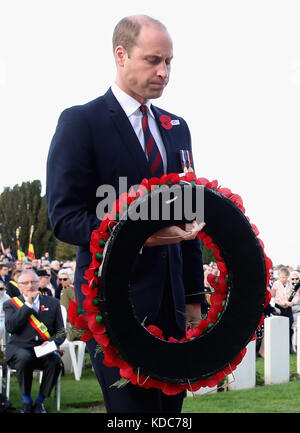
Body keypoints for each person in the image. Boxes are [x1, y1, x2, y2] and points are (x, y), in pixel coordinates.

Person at [47, 14, 205, 413]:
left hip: (171, 313)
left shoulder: (176, 128)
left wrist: (191, 297)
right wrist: (133, 233)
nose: (164, 72)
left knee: (168, 416)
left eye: (169, 61)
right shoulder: (82, 122)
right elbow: (65, 217)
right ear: (121, 54)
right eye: (153, 60)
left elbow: (187, 217)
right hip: (114, 306)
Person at [3, 270, 65, 413]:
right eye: (25, 283)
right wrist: (28, 305)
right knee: (24, 358)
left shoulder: (53, 303)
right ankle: (26, 401)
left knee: (54, 362)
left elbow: (61, 331)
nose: (30, 286)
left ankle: (40, 402)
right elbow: (11, 327)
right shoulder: (10, 304)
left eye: (33, 282)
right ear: (19, 286)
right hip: (20, 348)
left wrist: (51, 343)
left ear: (39, 283)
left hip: (43, 349)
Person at [271, 267, 298, 353]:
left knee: (289, 327)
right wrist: (275, 306)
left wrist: (292, 303)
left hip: (288, 308)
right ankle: (278, 347)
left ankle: (289, 347)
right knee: (278, 327)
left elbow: (296, 296)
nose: (283, 279)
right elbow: (272, 295)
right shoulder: (276, 284)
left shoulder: (291, 285)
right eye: (281, 277)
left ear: (287, 277)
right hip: (279, 307)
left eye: (285, 277)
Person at [0, 281, 10, 348]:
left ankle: (4, 347)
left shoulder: (7, 297)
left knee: (3, 326)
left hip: (4, 318)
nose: (0, 291)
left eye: (1, 289)